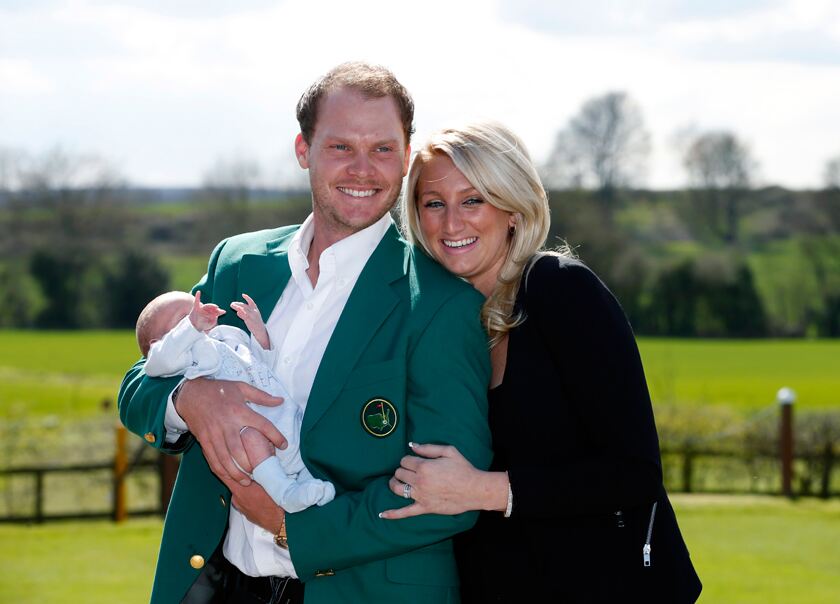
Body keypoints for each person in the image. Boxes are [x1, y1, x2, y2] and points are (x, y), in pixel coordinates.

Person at [117, 62, 493, 604]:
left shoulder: (441, 305)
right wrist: (192, 398)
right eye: (341, 147)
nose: (363, 169)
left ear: (407, 157)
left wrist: (292, 528)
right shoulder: (239, 262)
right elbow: (141, 382)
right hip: (218, 585)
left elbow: (445, 493)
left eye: (383, 149)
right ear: (303, 150)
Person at [382, 121, 703, 602]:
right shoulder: (433, 319)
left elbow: (634, 473)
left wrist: (483, 490)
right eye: (434, 203)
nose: (452, 223)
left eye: (473, 200)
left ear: (512, 209)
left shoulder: (560, 289)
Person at [136, 290, 335, 513]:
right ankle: (285, 492)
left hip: (282, 417)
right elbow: (155, 364)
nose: (197, 315)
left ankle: (307, 483)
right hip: (246, 439)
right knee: (253, 440)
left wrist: (259, 332)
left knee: (307, 437)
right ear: (159, 343)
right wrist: (191, 328)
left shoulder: (226, 339)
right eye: (185, 318)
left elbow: (262, 365)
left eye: (198, 308)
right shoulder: (183, 358)